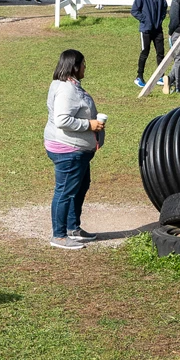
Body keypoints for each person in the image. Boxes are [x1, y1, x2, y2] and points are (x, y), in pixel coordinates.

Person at [44, 49, 104, 250]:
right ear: (75, 67)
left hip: (75, 149)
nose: (85, 67)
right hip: (68, 150)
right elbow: (62, 120)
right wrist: (89, 125)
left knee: (80, 186)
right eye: (83, 64)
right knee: (65, 191)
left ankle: (72, 228)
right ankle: (59, 236)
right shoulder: (67, 90)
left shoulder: (64, 84)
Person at [131, 0, 168, 88]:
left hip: (158, 29)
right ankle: (139, 77)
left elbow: (164, 7)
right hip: (146, 29)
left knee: (160, 53)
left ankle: (160, 76)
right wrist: (145, 20)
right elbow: (134, 11)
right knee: (145, 53)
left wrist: (160, 20)